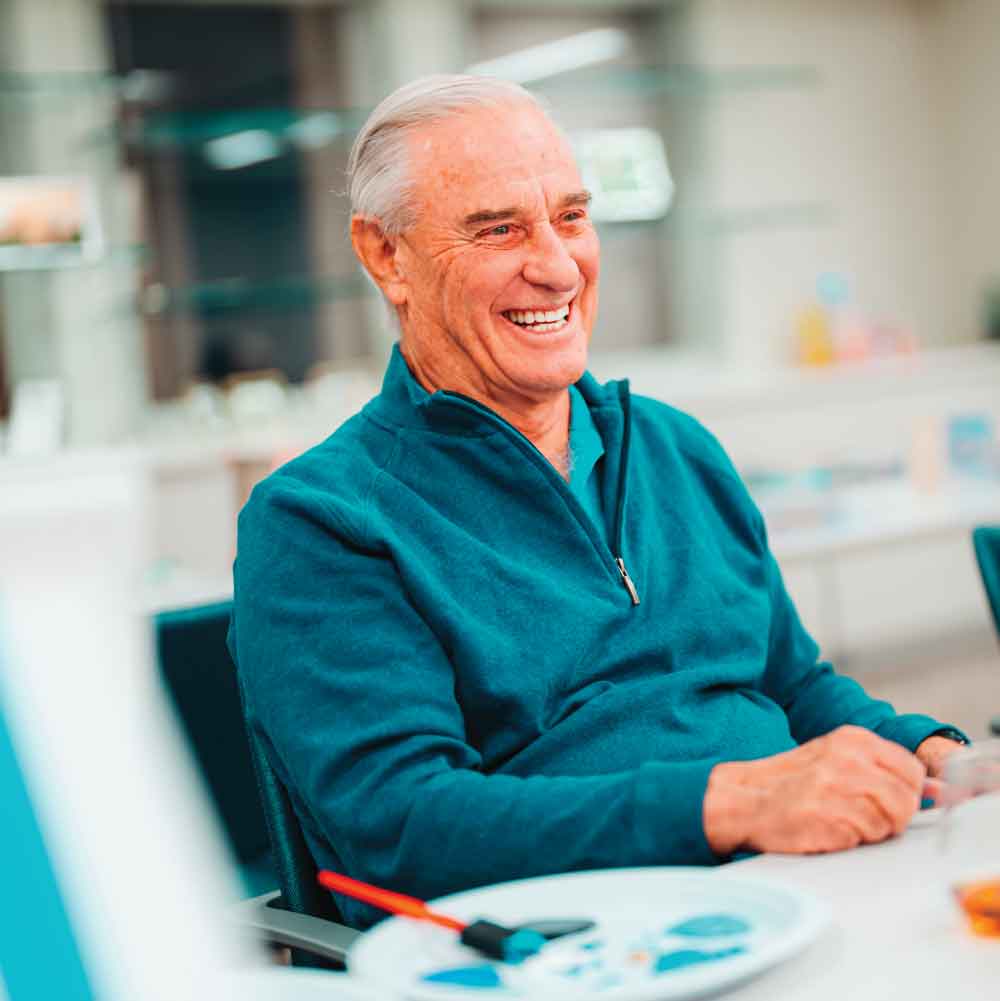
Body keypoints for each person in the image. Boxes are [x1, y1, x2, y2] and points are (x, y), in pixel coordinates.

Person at [228, 75, 967, 929]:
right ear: (386, 255)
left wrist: (924, 749)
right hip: (585, 950)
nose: (554, 265)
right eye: (498, 229)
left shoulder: (674, 446)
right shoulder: (321, 522)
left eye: (571, 217)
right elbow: (404, 831)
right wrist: (730, 803)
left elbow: (796, 685)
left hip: (807, 892)